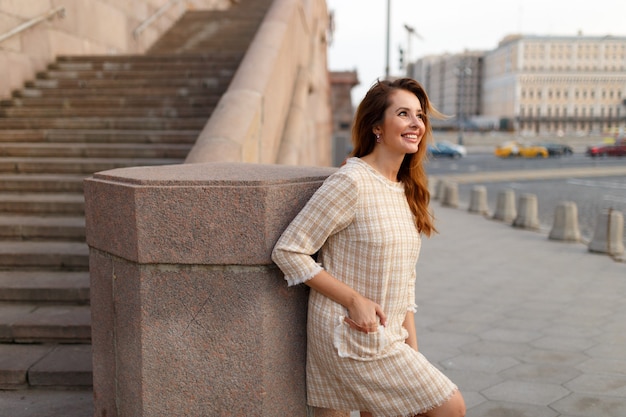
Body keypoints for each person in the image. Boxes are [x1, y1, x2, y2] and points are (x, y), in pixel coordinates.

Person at [271, 78, 465, 417]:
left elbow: (406, 281)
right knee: (450, 407)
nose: (415, 124)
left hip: (385, 334)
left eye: (419, 115)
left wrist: (412, 350)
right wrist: (354, 300)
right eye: (403, 113)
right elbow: (289, 250)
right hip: (346, 332)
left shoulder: (403, 188)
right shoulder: (352, 181)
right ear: (377, 125)